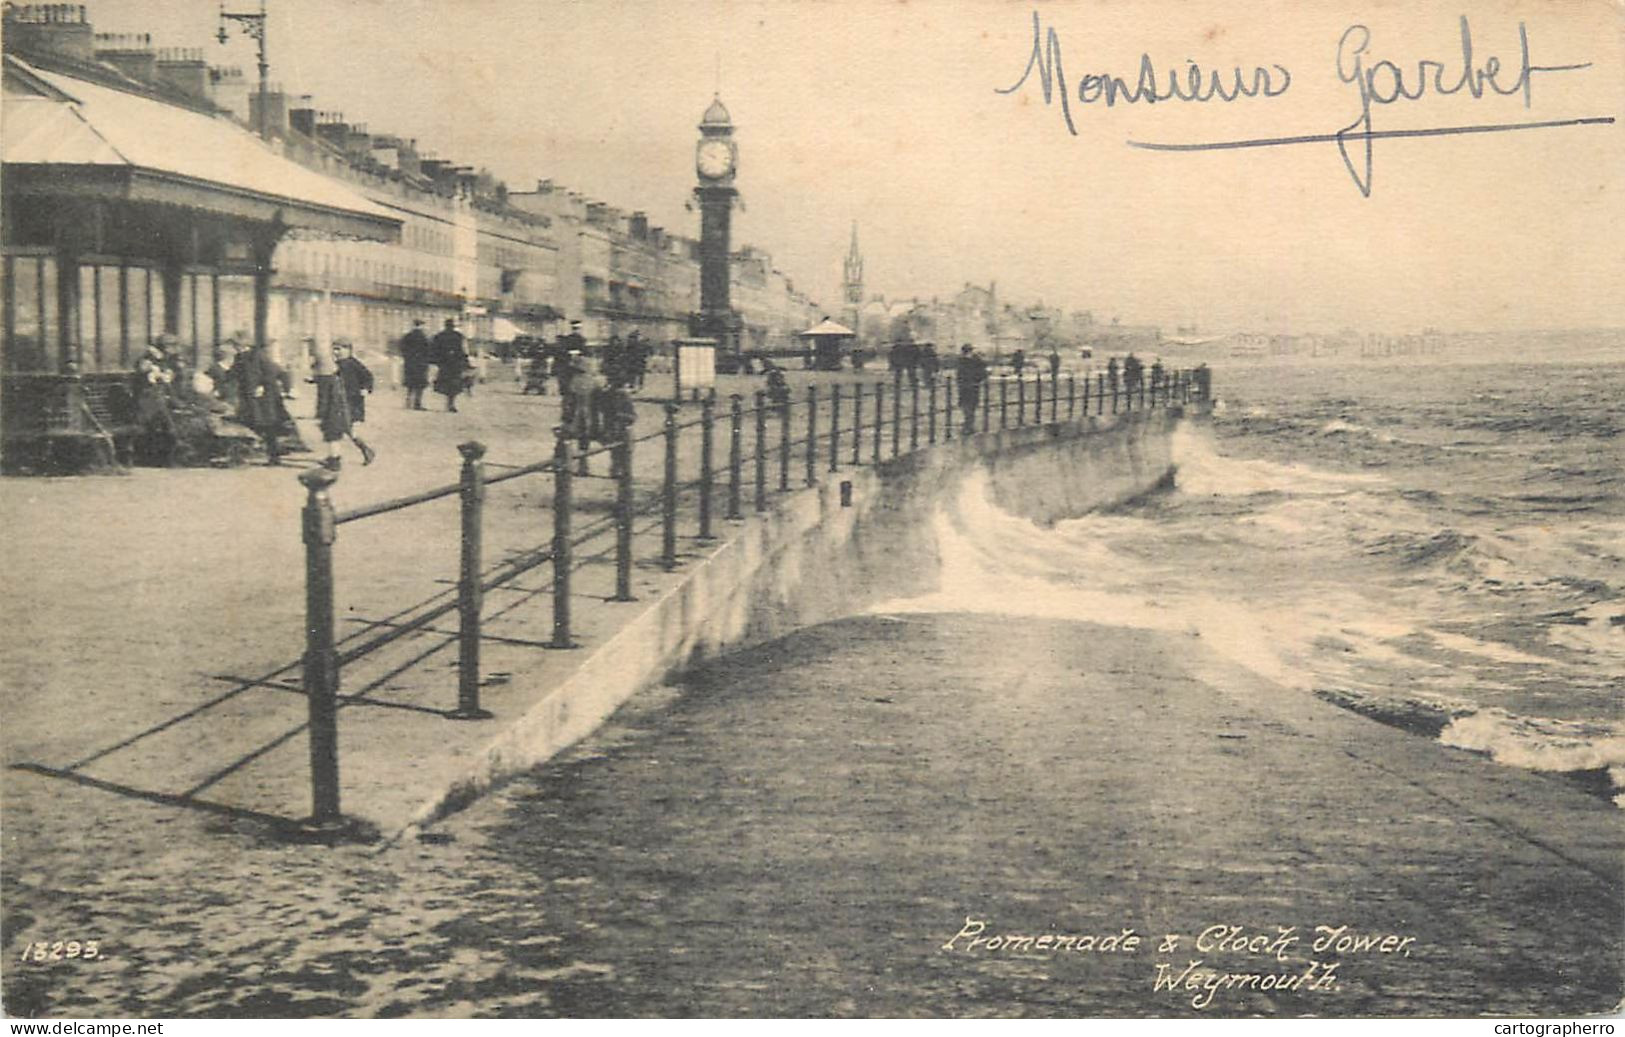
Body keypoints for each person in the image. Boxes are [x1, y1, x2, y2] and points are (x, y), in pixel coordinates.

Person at [233, 338, 292, 465]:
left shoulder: (258, 356)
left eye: (238, 345)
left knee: (268, 426)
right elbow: (234, 373)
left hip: (265, 399)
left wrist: (262, 385)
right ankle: (266, 450)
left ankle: (274, 456)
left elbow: (272, 372)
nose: (236, 348)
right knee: (252, 423)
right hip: (249, 397)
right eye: (236, 345)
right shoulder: (239, 358)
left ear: (246, 345)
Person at [334, 339, 378, 466]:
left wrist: (365, 388)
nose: (336, 352)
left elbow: (368, 376)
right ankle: (334, 456)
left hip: (353, 401)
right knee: (340, 428)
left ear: (348, 350)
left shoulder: (353, 363)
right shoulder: (339, 364)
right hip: (342, 400)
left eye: (339, 349)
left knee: (348, 429)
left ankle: (366, 450)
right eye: (334, 349)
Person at [431, 318, 468, 413]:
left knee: (445, 382)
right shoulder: (458, 336)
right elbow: (462, 351)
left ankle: (448, 402)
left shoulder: (439, 336)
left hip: (444, 363)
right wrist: (465, 362)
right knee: (454, 384)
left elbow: (434, 350)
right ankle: (451, 403)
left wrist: (436, 361)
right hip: (455, 363)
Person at [400, 319, 432, 410]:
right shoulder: (424, 337)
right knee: (419, 385)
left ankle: (408, 402)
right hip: (421, 364)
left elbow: (402, 348)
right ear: (421, 326)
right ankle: (417, 403)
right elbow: (428, 350)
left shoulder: (407, 336)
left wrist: (407, 357)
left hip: (410, 363)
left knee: (410, 384)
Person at [956, 344, 988, 434]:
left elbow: (959, 375)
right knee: (970, 406)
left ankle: (968, 425)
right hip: (972, 386)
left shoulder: (962, 361)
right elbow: (983, 373)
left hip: (965, 386)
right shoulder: (975, 361)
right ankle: (969, 425)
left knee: (967, 405)